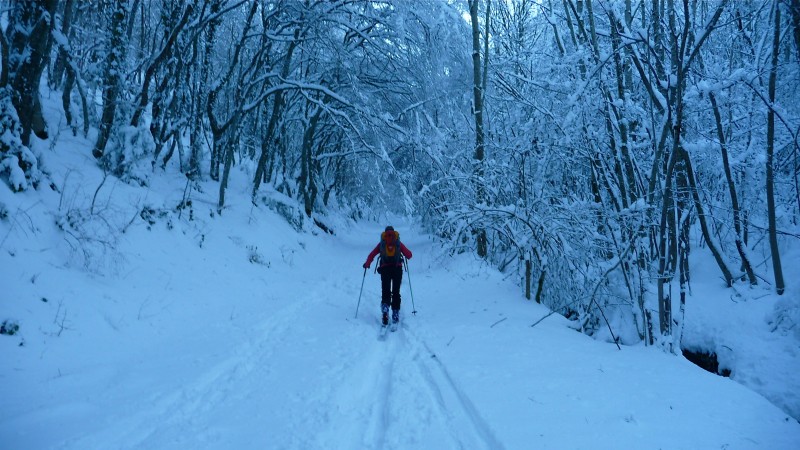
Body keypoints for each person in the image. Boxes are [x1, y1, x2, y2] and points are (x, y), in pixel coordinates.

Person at [363, 226, 413, 326]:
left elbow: (372, 254)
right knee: (396, 291)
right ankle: (395, 313)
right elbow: (409, 255)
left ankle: (385, 310)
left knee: (385, 290)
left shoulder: (382, 243)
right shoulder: (398, 243)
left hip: (385, 269)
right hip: (397, 269)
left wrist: (367, 263)